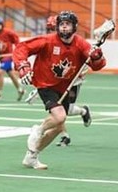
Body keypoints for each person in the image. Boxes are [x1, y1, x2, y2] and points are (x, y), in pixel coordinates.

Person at [13, 10, 106, 169]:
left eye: (67, 24)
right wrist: (23, 67)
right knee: (60, 116)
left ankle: (31, 156)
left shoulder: (81, 44)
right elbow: (22, 48)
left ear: (74, 26)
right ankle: (38, 130)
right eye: (61, 24)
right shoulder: (48, 40)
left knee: (57, 128)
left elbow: (97, 65)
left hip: (64, 87)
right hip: (46, 85)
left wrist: (97, 57)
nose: (64, 28)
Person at [25, 15, 92, 147]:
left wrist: (84, 68)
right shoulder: (48, 42)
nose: (51, 33)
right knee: (57, 112)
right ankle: (64, 135)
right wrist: (39, 88)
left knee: (65, 111)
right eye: (50, 29)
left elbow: (87, 60)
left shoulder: (77, 43)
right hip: (55, 82)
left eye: (51, 29)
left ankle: (83, 111)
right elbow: (47, 71)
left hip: (73, 81)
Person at [0, 17, 25, 101]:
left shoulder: (8, 32)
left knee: (0, 73)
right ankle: (20, 89)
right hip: (2, 58)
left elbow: (16, 40)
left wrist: (17, 49)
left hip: (9, 56)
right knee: (11, 74)